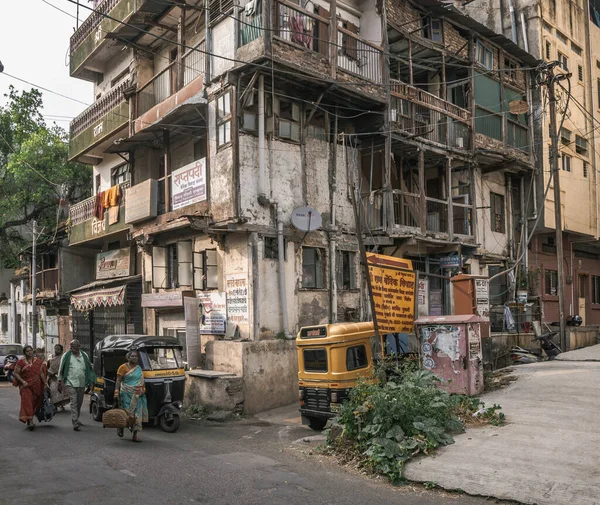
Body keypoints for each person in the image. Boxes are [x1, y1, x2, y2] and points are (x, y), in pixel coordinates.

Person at [58, 339, 96, 431]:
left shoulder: (84, 355)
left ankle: (77, 418)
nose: (72, 349)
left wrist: (90, 381)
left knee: (79, 402)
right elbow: (61, 368)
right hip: (70, 382)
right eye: (71, 347)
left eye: (74, 347)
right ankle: (74, 422)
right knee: (74, 401)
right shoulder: (66, 356)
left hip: (82, 383)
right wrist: (60, 380)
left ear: (79, 347)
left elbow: (89, 369)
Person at [114, 350, 148, 442]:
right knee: (127, 414)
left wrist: (143, 390)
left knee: (137, 415)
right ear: (128, 358)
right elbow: (118, 380)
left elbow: (141, 381)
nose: (134, 358)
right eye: (132, 356)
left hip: (137, 395)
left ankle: (135, 435)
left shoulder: (139, 369)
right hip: (126, 395)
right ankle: (121, 427)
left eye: (136, 356)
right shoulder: (122, 368)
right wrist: (116, 392)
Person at [13, 345, 48, 430]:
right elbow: (16, 373)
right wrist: (23, 382)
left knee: (34, 402)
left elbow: (41, 373)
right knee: (27, 402)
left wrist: (45, 383)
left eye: (31, 350)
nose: (30, 352)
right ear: (24, 353)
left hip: (36, 385)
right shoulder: (21, 362)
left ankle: (29, 418)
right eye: (27, 351)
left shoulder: (38, 361)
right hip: (25, 386)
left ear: (33, 351)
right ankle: (31, 421)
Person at [47, 344, 70, 411]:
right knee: (53, 390)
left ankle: (60, 404)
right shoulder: (50, 357)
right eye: (55, 349)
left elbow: (66, 368)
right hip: (52, 377)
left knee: (61, 391)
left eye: (58, 349)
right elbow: (47, 367)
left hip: (61, 377)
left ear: (61, 350)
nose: (56, 350)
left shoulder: (63, 358)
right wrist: (51, 375)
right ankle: (54, 405)